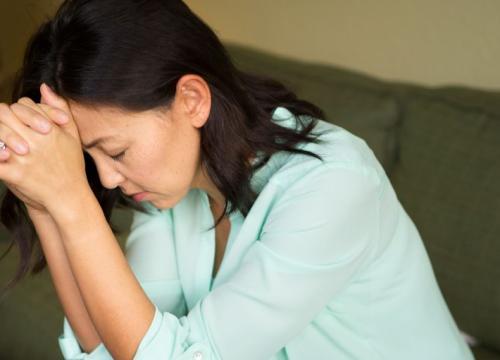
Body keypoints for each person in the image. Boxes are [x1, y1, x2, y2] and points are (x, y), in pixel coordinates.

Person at [0, 1, 474, 359]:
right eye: (88, 159)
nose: (107, 177)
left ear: (191, 100)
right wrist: (43, 204)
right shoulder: (171, 191)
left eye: (117, 151)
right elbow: (117, 346)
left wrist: (72, 201)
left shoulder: (333, 186)